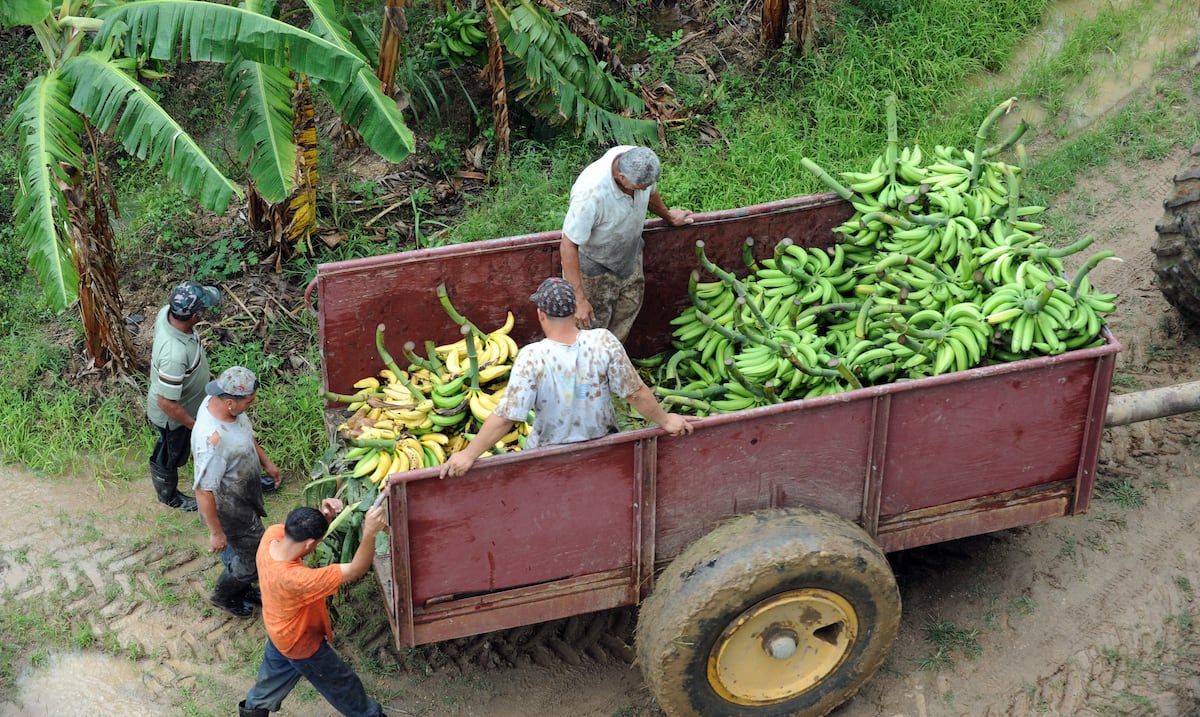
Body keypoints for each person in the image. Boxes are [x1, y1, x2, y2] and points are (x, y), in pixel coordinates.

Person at [440, 277, 693, 479]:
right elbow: (635, 392)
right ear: (575, 311)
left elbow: (506, 418)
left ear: (540, 314)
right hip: (605, 449)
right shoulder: (603, 341)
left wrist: (469, 454)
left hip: (547, 461)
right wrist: (665, 420)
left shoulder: (532, 357)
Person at [238, 499, 390, 717]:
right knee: (343, 685)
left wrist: (323, 518)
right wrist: (370, 533)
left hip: (279, 630)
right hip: (302, 642)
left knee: (271, 681)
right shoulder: (297, 579)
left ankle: (252, 712)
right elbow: (356, 569)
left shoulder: (271, 537)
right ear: (310, 544)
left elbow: (300, 540)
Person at [560, 145, 693, 342]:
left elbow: (651, 193)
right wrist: (579, 300)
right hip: (594, 267)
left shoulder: (637, 159)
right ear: (621, 177)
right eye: (639, 188)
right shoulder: (590, 195)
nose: (644, 191)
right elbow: (568, 244)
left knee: (627, 311)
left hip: (629, 256)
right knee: (592, 327)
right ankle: (591, 369)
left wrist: (668, 216)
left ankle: (614, 358)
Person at [193, 366, 282, 618]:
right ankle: (224, 595)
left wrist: (267, 463)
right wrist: (216, 532)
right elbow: (203, 491)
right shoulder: (212, 441)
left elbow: (245, 433)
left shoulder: (220, 403)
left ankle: (241, 585)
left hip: (243, 492)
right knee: (255, 557)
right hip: (229, 508)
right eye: (250, 402)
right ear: (231, 402)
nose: (252, 405)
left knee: (244, 552)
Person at [146, 280, 221, 512]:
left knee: (186, 447)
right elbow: (165, 402)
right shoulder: (174, 354)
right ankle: (169, 497)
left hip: (189, 402)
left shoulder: (167, 314)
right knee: (169, 454)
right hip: (172, 417)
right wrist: (194, 425)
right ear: (195, 316)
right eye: (204, 309)